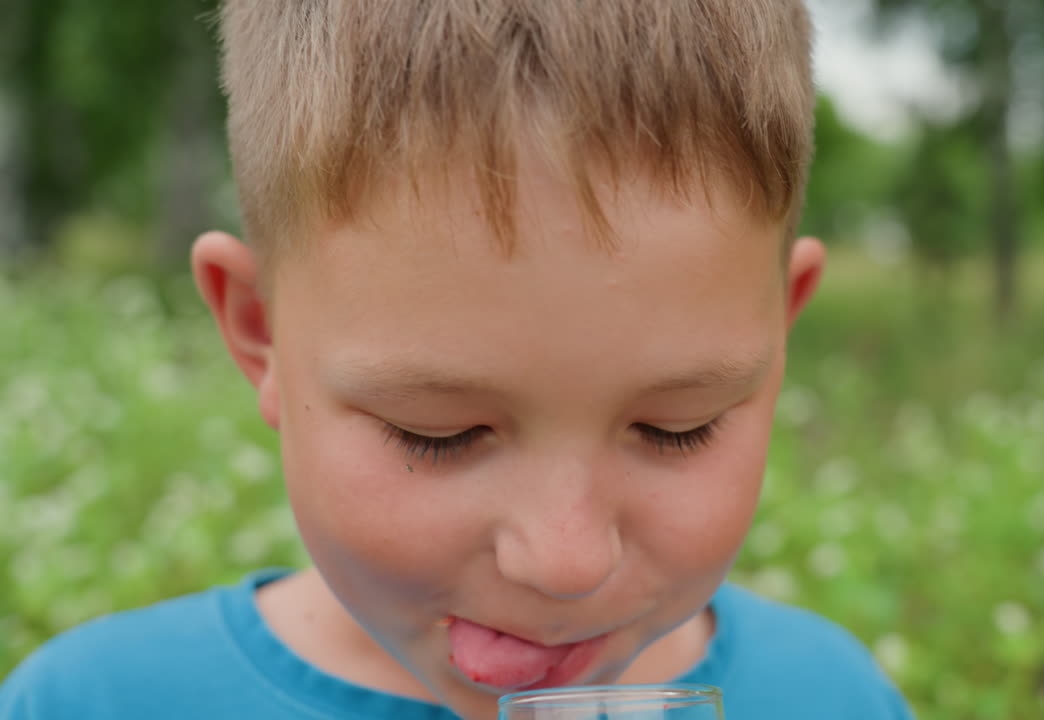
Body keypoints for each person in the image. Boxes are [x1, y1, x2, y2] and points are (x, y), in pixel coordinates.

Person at [0, 1, 913, 718]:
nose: (565, 561)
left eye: (679, 429)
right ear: (259, 331)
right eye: (437, 434)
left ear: (778, 338)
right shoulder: (93, 703)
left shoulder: (833, 697)